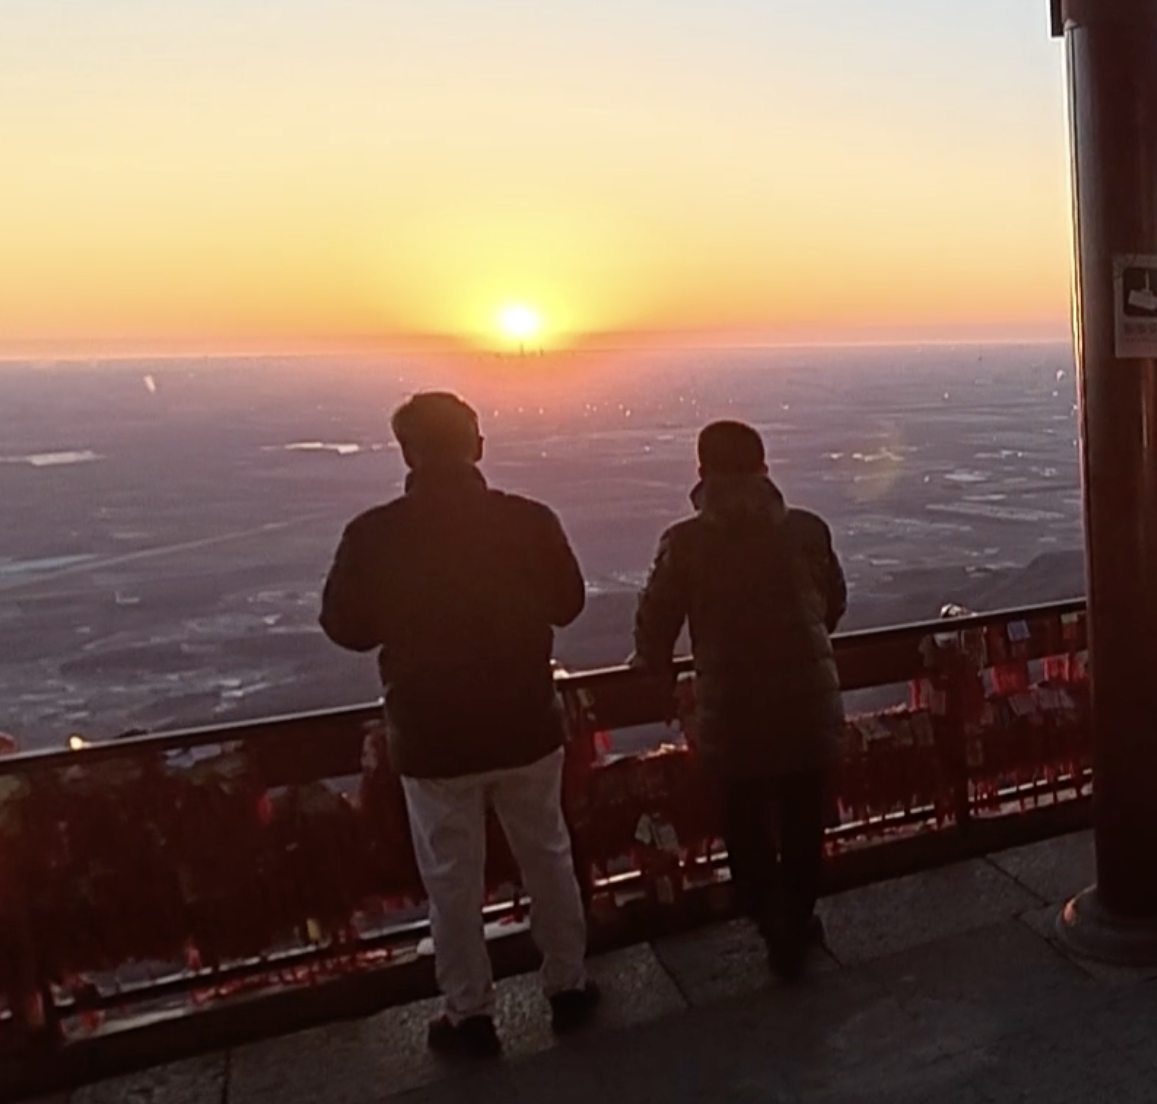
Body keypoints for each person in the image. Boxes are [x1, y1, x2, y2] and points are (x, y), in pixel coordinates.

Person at [320, 391, 597, 1059]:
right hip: (526, 721)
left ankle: (469, 1013)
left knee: (450, 876)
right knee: (547, 856)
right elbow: (569, 604)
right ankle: (568, 986)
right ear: (476, 445)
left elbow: (345, 627)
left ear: (407, 452)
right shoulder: (529, 521)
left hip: (431, 732)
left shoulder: (374, 534)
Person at [633, 420, 848, 978]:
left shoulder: (685, 543)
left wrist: (652, 670)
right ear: (764, 467)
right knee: (804, 818)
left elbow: (655, 626)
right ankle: (799, 916)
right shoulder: (806, 530)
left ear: (703, 471)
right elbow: (832, 606)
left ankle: (770, 921)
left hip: (731, 710)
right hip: (808, 704)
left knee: (745, 822)